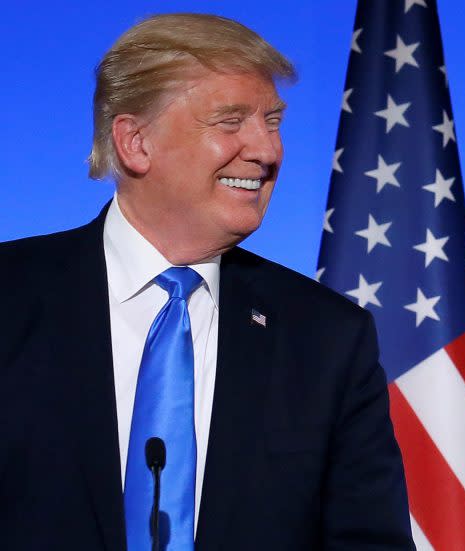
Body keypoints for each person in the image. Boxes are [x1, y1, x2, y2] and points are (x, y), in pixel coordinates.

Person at [0, 13, 414, 551]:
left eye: (273, 121)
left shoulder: (328, 338)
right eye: (231, 121)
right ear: (136, 143)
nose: (267, 151)